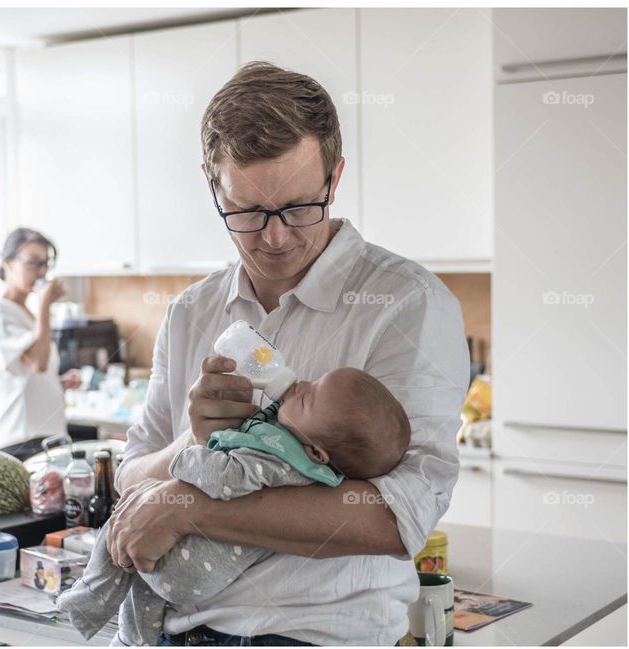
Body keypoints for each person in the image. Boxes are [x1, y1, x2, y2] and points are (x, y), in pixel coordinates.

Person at [108, 61, 469, 645]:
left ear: (335, 178)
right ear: (212, 185)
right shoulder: (190, 313)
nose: (275, 238)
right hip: (165, 630)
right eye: (248, 212)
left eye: (301, 207)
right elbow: (130, 475)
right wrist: (189, 443)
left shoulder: (407, 305)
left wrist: (189, 507)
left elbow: (395, 516)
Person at [58, 367, 411, 645]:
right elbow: (128, 470)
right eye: (314, 382)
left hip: (192, 572)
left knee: (128, 515)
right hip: (189, 585)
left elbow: (224, 478)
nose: (302, 384)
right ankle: (135, 635)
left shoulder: (278, 459)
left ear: (317, 454)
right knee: (143, 571)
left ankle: (89, 596)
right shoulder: (303, 457)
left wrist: (186, 460)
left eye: (308, 399)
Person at [0, 228, 82, 461]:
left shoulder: (26, 313)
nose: (42, 272)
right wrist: (45, 305)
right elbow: (38, 362)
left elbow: (31, 372)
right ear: (7, 264)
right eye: (33, 263)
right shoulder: (1, 312)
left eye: (46, 264)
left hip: (45, 438)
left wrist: (55, 384)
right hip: (22, 441)